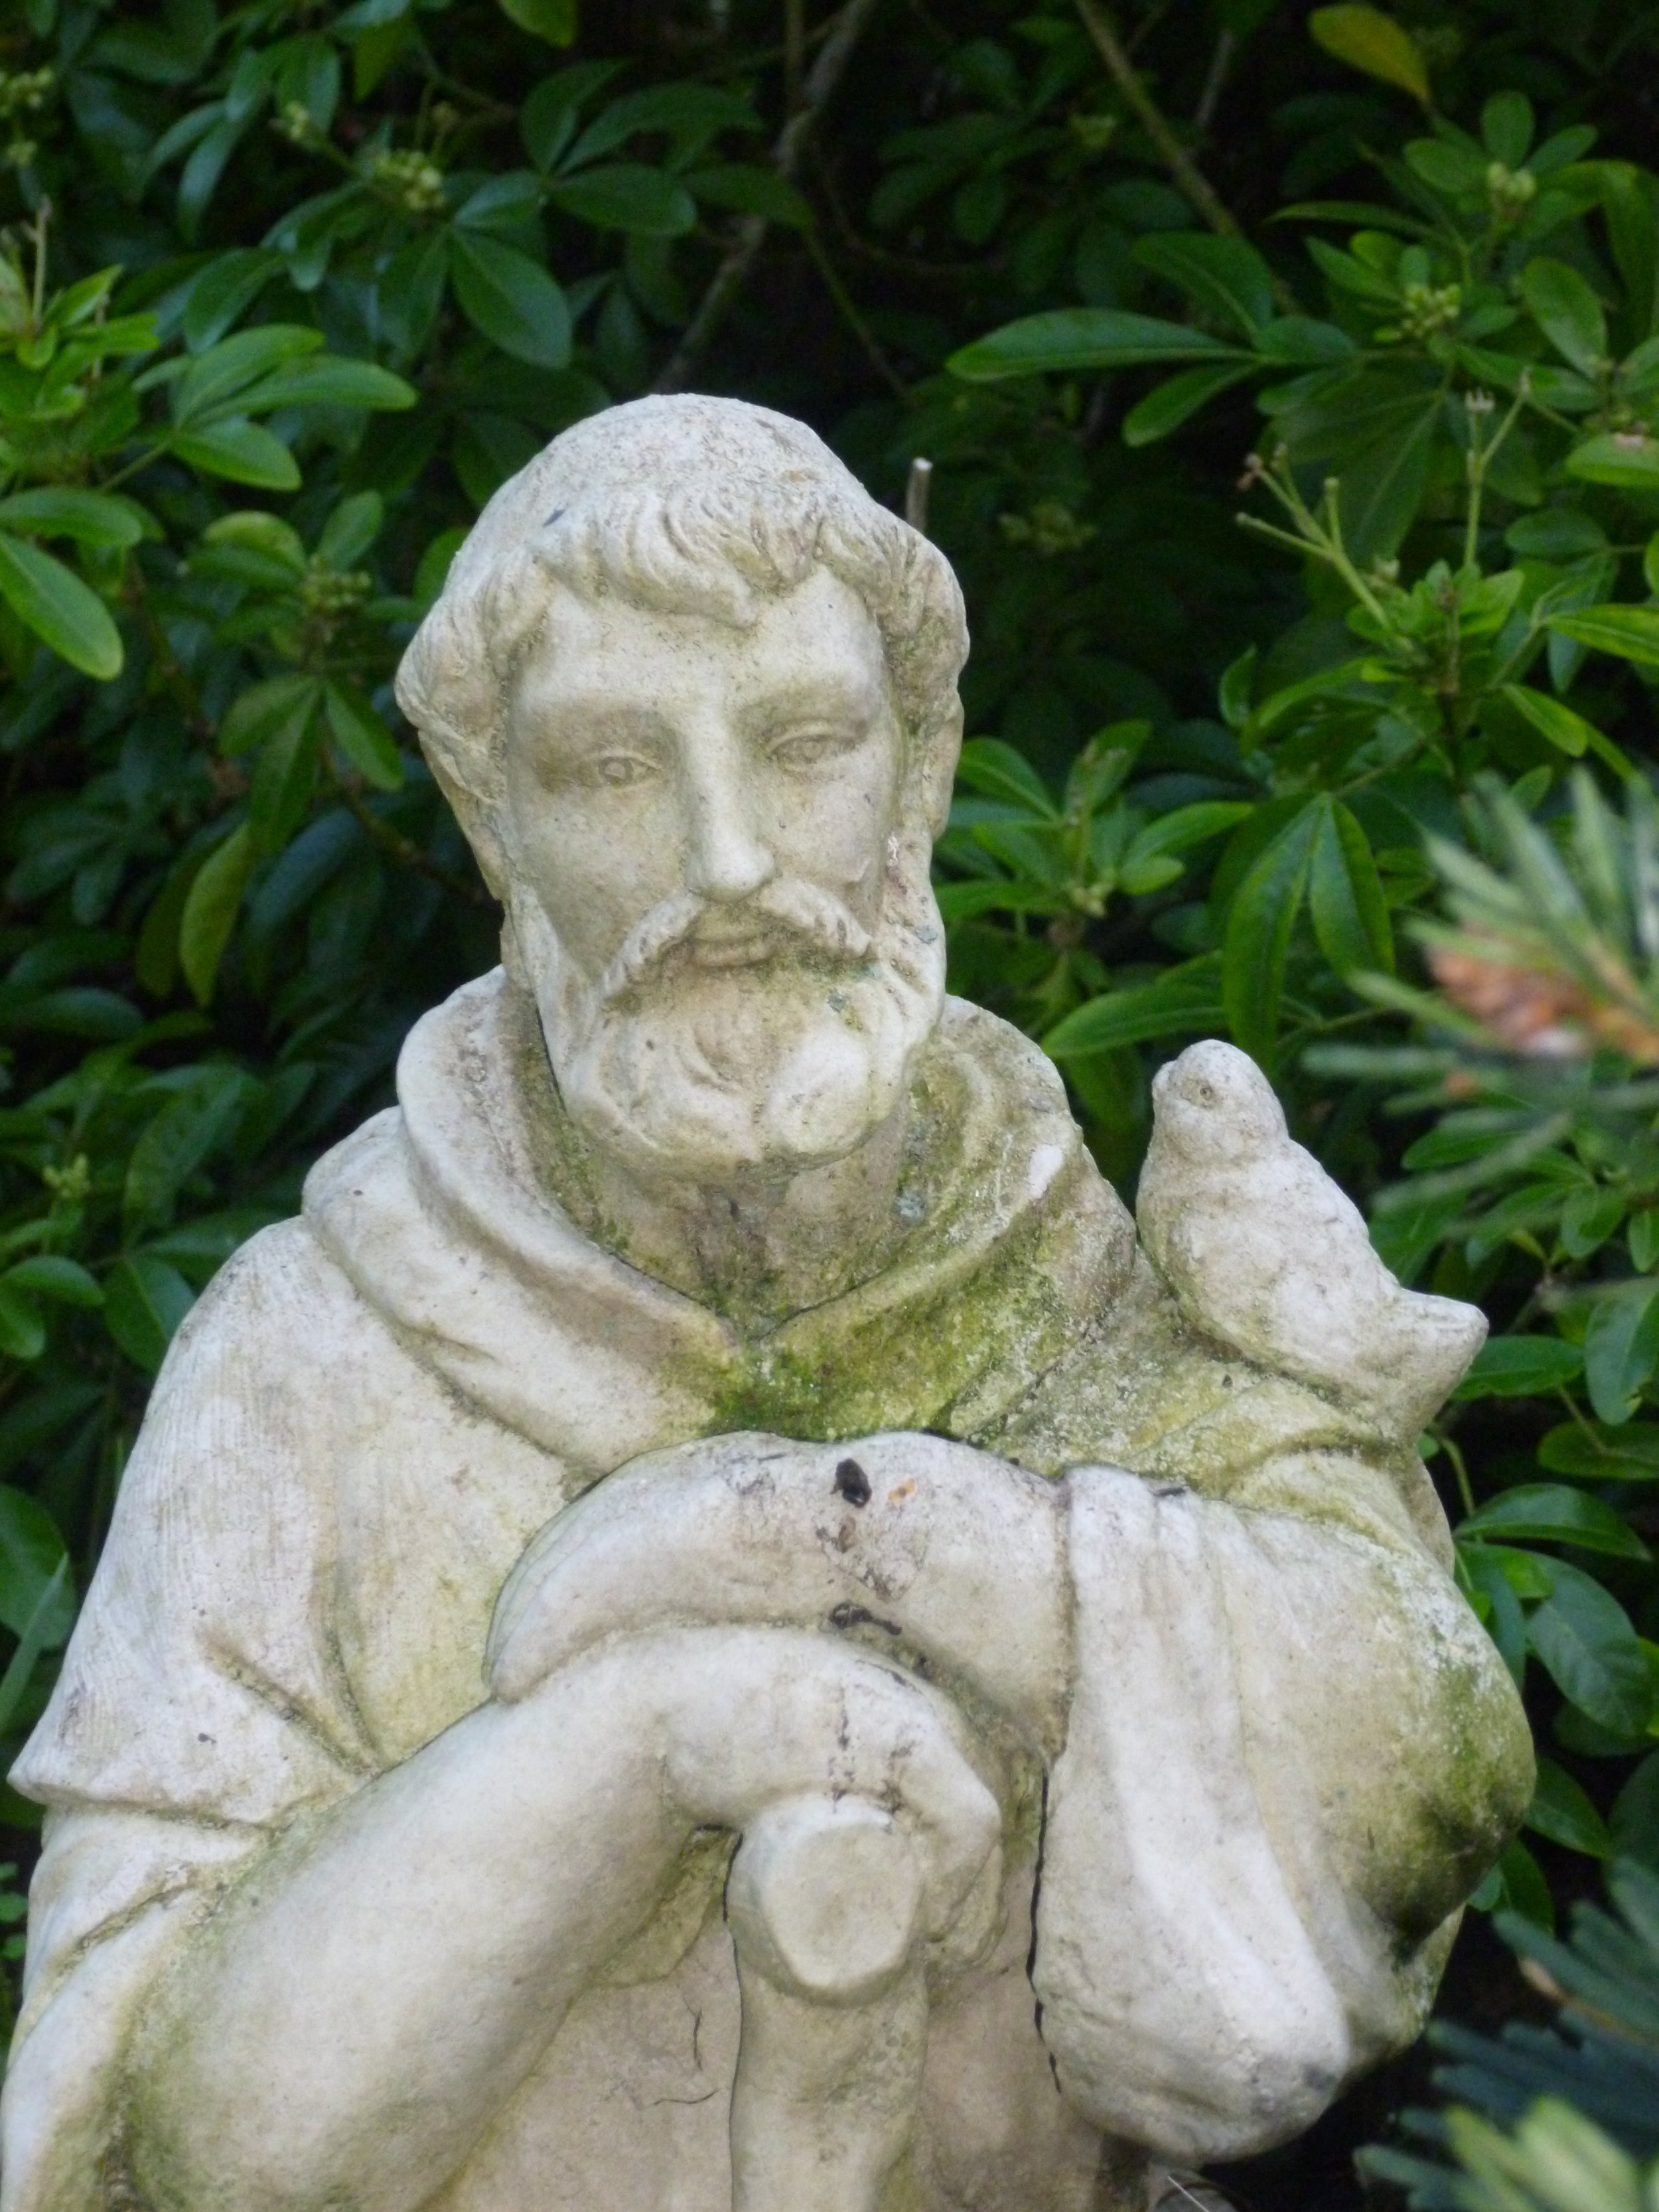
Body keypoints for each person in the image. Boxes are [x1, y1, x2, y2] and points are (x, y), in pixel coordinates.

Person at [0, 396, 1532, 2212]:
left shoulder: (1081, 1270)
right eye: (612, 771)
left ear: (923, 771)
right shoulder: (309, 1356)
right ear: (494, 824)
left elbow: (1414, 1799)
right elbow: (175, 2147)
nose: (727, 861)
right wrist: (633, 1737)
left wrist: (900, 1540)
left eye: (804, 742)